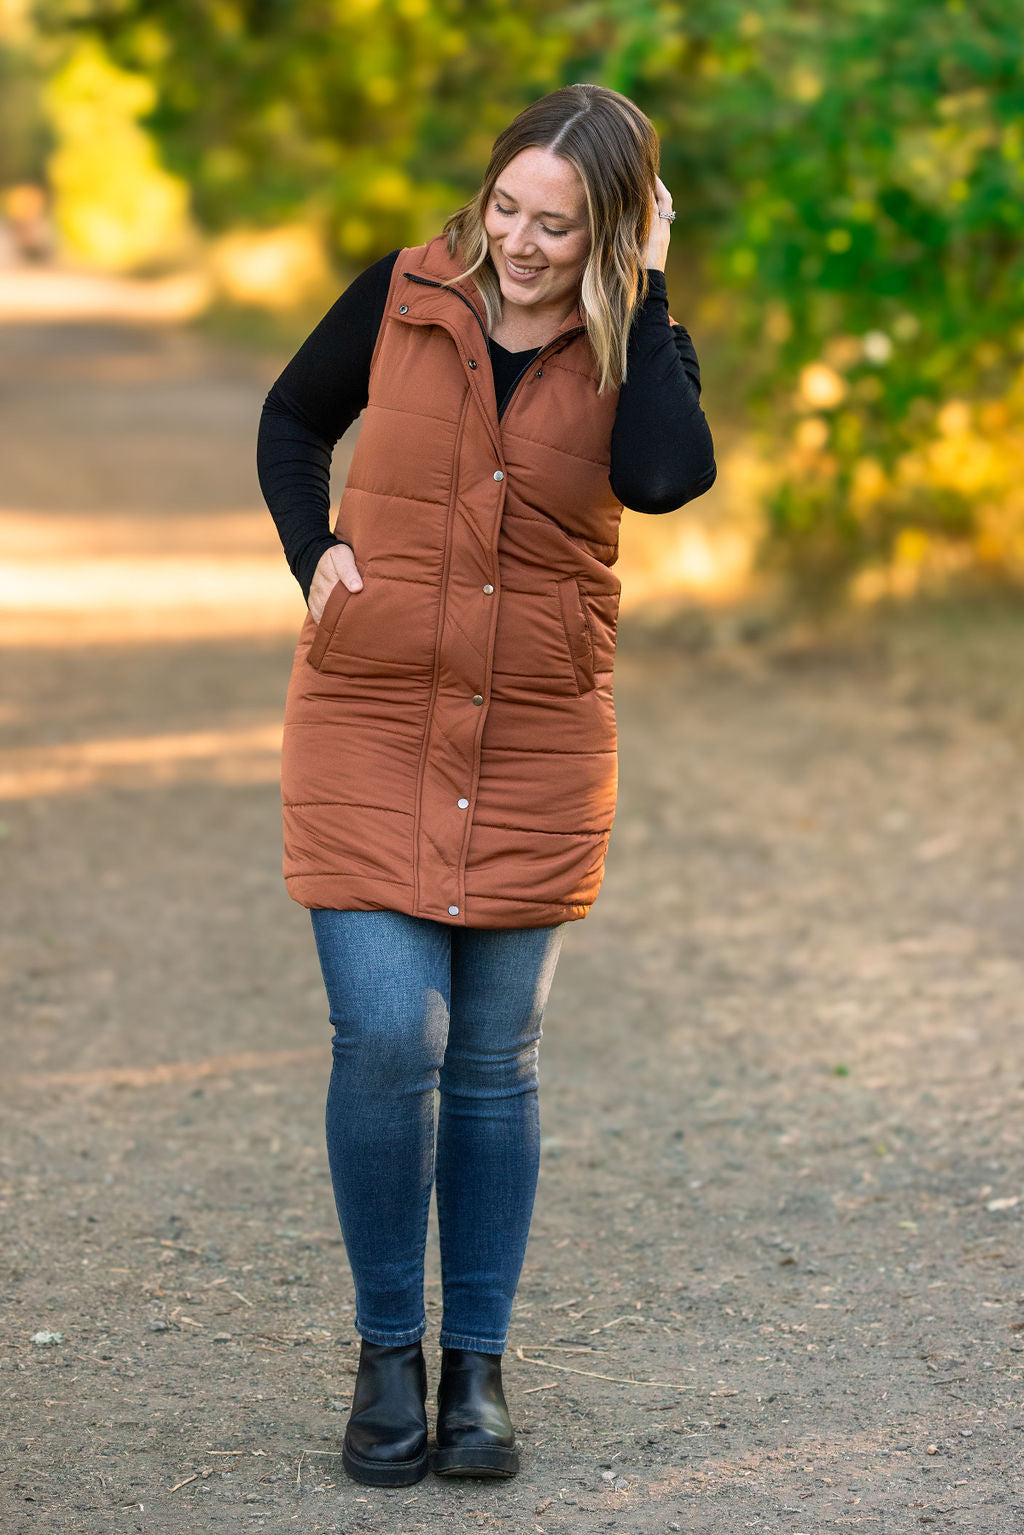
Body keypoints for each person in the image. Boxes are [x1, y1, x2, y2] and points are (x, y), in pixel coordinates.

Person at [256, 82, 717, 1488]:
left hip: (534, 738)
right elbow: (290, 421)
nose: (519, 243)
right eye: (507, 209)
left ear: (615, 225)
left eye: (558, 223)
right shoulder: (401, 295)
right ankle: (387, 1354)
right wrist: (309, 554)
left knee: (495, 1065)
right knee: (388, 1034)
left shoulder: (629, 343)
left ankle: (477, 1374)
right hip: (369, 715)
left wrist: (646, 294)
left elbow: (664, 480)